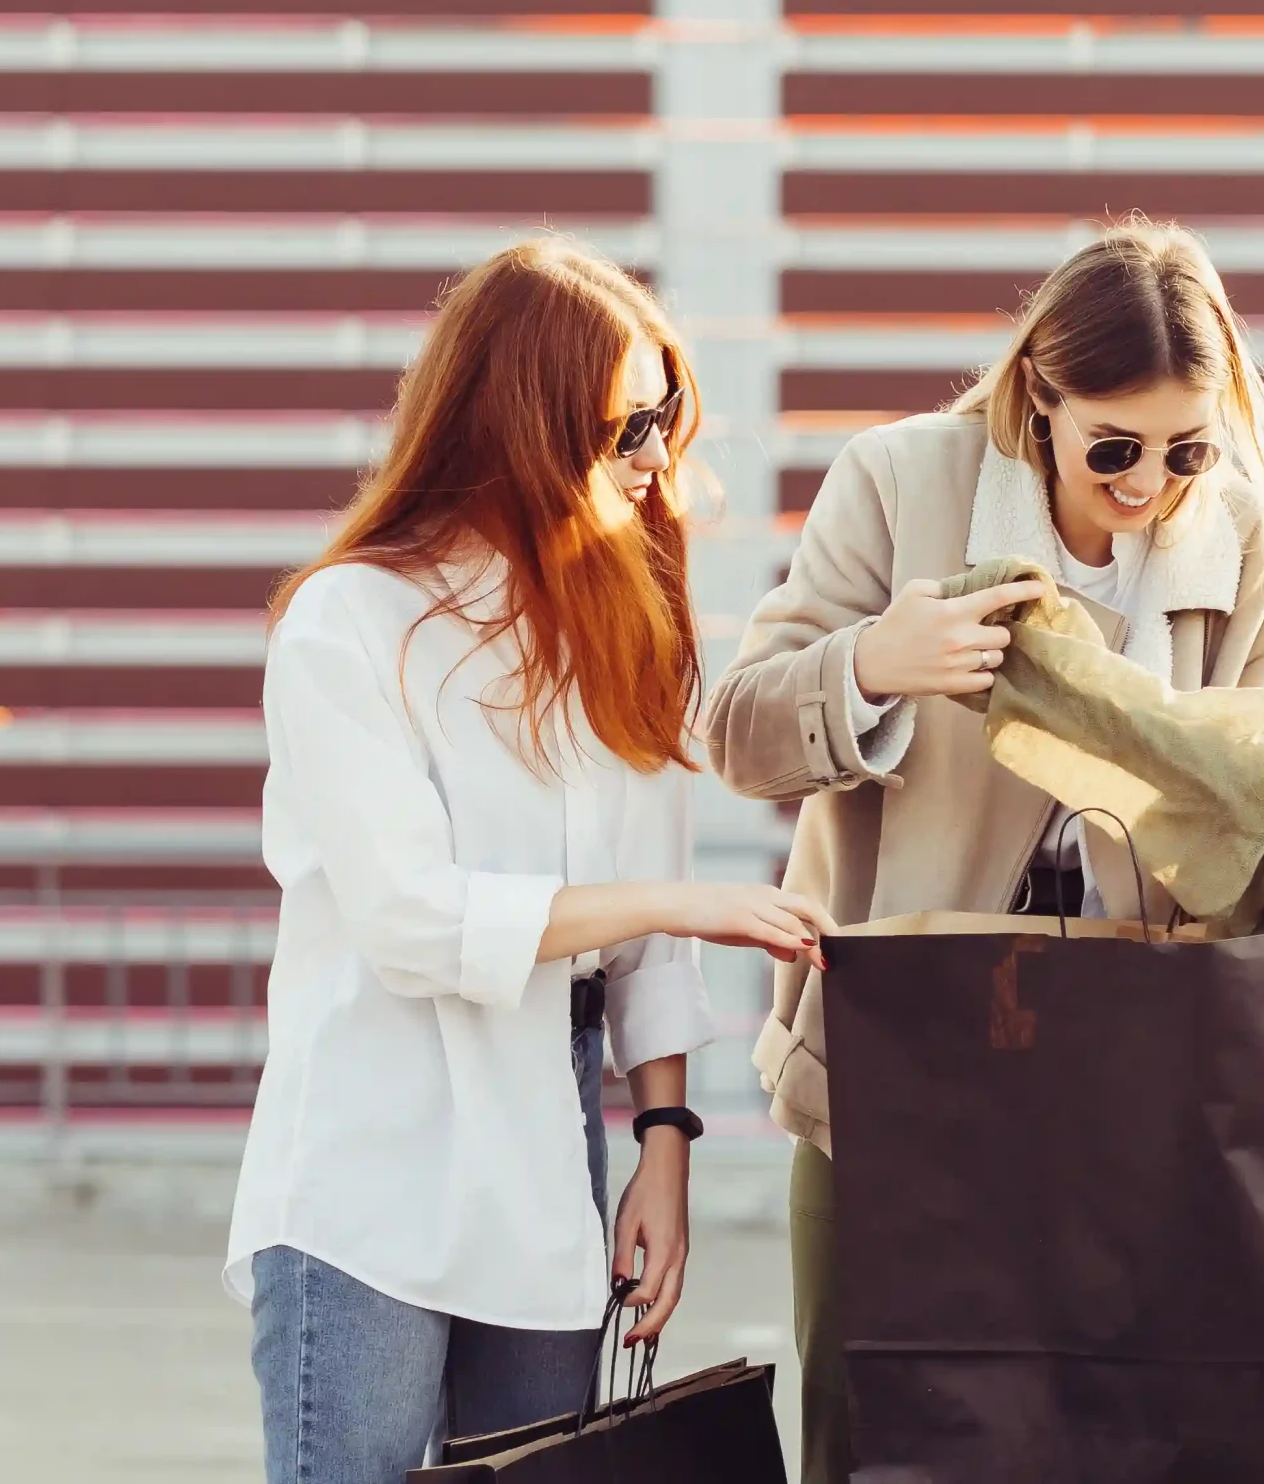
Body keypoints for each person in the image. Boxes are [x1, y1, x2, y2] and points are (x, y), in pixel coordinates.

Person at [705, 219, 1264, 1483]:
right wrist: (875, 664)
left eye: (1187, 449)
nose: (1149, 482)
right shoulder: (900, 482)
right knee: (867, 1418)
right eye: (1113, 445)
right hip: (896, 1048)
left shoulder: (1255, 547)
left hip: (1133, 1064)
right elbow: (735, 734)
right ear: (1038, 398)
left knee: (1101, 1435)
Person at [226, 239, 833, 1484]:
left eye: (664, 419)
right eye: (625, 428)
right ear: (516, 424)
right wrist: (679, 900)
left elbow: (648, 956)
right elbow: (410, 923)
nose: (656, 458)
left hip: (551, 1170)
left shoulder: (623, 629)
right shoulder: (350, 623)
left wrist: (663, 1138)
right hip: (367, 1173)